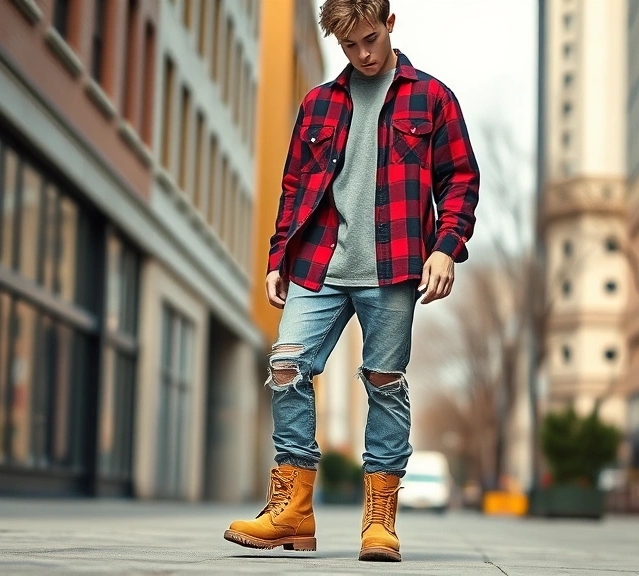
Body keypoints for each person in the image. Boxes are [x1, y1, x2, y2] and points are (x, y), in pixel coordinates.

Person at [223, 0, 479, 563]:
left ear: (390, 24)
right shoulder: (318, 104)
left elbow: (459, 179)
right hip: (320, 265)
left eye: (369, 39)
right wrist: (276, 259)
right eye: (348, 45)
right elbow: (294, 187)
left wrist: (446, 249)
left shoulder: (432, 98)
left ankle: (379, 521)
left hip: (394, 266)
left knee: (384, 382)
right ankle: (293, 510)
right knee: (286, 363)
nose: (361, 54)